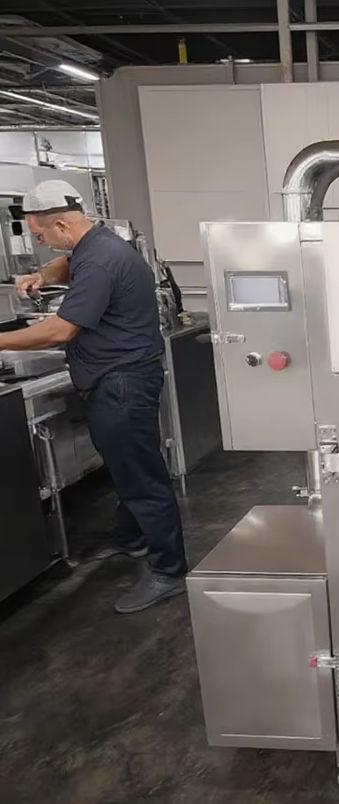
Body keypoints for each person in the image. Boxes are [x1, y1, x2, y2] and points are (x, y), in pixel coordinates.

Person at [0, 180, 187, 613]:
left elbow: (60, 330)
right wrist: (40, 275)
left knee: (142, 479)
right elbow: (66, 267)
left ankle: (169, 571)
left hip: (123, 384)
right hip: (119, 380)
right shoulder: (95, 246)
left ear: (62, 225)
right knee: (126, 470)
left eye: (41, 236)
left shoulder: (100, 260)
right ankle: (132, 537)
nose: (42, 244)